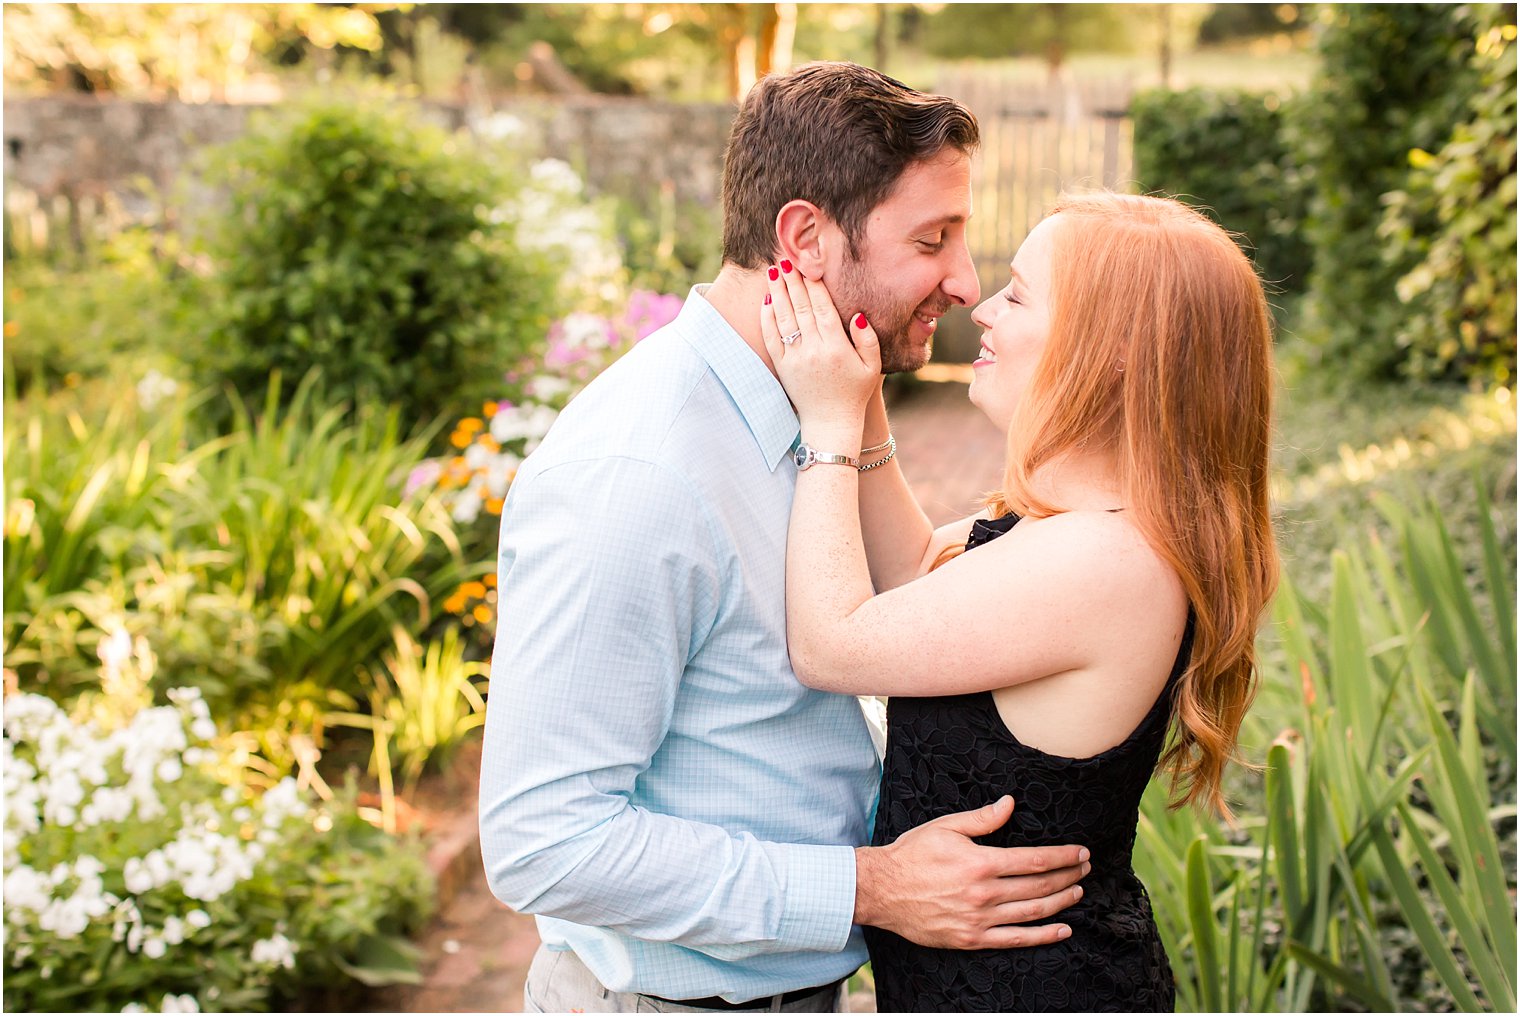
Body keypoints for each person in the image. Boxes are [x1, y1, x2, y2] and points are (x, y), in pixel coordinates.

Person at [479, 62, 1090, 1014]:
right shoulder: (637, 479)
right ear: (804, 238)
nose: (965, 283)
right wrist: (873, 887)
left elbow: (903, 610)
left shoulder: (818, 410)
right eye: (932, 241)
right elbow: (545, 841)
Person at [760, 191, 1280, 1012]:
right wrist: (859, 403)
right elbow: (913, 589)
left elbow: (831, 645)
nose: (986, 309)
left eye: (1021, 293)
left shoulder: (1104, 560)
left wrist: (824, 425)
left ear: (1111, 351)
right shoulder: (1075, 528)